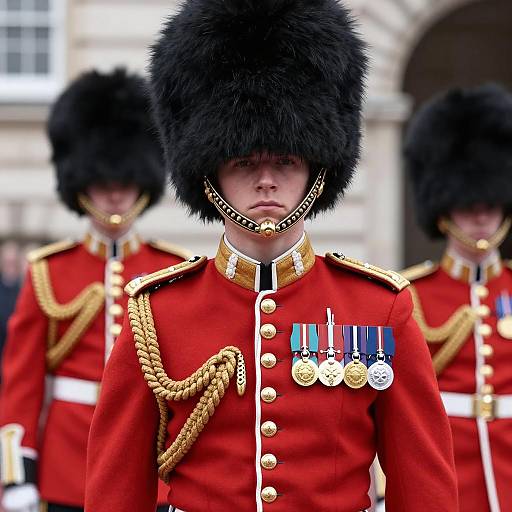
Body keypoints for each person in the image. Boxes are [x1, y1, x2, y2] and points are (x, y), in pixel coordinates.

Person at [85, 1, 458, 511]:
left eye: (285, 160)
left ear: (316, 168)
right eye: (244, 162)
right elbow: (115, 490)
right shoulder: (155, 315)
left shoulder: (379, 308)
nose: (266, 180)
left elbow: (424, 484)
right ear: (211, 172)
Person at [0, 69, 191, 512]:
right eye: (104, 185)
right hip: (68, 466)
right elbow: (21, 385)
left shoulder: (173, 270)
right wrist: (17, 475)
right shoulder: (47, 271)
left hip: (151, 464)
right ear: (82, 185)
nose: (115, 197)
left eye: (125, 185)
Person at [401, 84, 512, 512]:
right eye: (468, 204)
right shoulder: (413, 295)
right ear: (444, 209)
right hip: (448, 470)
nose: (481, 216)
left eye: (490, 203)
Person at [0, 241, 22, 372]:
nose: (10, 266)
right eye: (7, 261)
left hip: (14, 350)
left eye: (13, 262)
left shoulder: (23, 289)